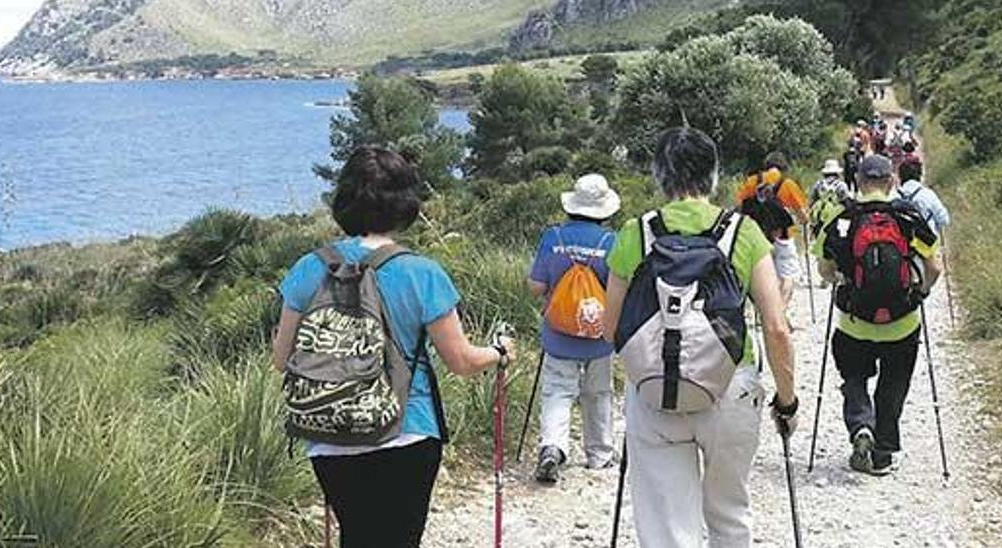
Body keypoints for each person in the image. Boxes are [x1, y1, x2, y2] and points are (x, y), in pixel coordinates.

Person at [273, 145, 516, 547]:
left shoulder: (308, 267)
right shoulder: (422, 273)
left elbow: (282, 360)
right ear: (405, 204)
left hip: (328, 434)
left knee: (359, 536)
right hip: (406, 432)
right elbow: (461, 361)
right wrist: (500, 352)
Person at [603, 127, 798, 548]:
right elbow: (777, 327)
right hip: (730, 389)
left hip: (655, 393)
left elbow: (610, 328)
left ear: (659, 175)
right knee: (729, 517)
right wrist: (787, 400)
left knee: (667, 530)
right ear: (714, 175)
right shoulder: (743, 232)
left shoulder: (636, 232)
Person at [813, 154, 942, 477]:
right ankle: (883, 452)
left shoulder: (841, 219)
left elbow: (825, 270)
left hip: (855, 323)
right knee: (893, 384)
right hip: (902, 323)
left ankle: (860, 427)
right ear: (891, 182)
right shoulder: (907, 217)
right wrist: (920, 292)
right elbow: (935, 266)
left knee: (854, 378)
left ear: (857, 182)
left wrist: (843, 280)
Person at [527, 174, 621, 483]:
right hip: (599, 336)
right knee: (598, 393)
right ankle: (600, 455)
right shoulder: (611, 242)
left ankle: (552, 448)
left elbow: (536, 287)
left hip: (558, 334)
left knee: (556, 391)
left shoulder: (553, 237)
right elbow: (619, 291)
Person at [735, 152, 809, 308]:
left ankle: (767, 311)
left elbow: (740, 208)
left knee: (765, 277)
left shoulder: (752, 182)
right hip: (783, 236)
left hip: (757, 236)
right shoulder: (788, 184)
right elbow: (803, 216)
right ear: (783, 168)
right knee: (787, 276)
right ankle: (780, 311)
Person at [897, 157, 951, 235]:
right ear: (920, 174)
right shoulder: (928, 194)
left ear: (900, 176)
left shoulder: (894, 196)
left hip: (903, 244)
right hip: (926, 244)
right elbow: (944, 220)